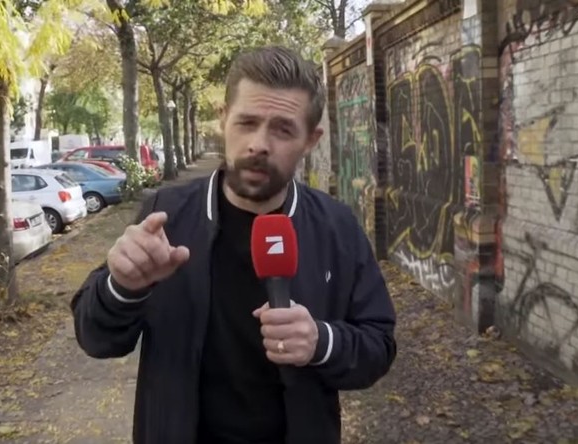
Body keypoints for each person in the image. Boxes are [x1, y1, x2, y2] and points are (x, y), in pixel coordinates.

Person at [71, 46, 397, 444]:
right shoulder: (165, 215)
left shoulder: (337, 226)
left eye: (282, 129)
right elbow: (96, 338)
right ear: (224, 121)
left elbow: (378, 345)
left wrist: (320, 341)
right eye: (247, 122)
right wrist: (122, 288)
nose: (259, 144)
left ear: (311, 140)